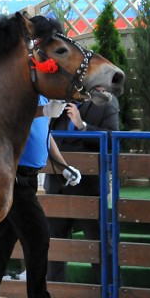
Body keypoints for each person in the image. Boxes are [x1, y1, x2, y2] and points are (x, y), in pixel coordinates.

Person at [0, 96, 80, 298]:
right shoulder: (24, 92)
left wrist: (63, 166)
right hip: (16, 180)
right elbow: (16, 113)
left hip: (24, 179)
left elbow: (45, 136)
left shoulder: (44, 97)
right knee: (38, 240)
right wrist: (44, 109)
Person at [45, 89, 119, 283]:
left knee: (98, 239)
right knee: (54, 241)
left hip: (89, 185)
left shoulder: (105, 104)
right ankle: (56, 289)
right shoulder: (57, 102)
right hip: (56, 182)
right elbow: (45, 133)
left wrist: (82, 125)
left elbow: (113, 139)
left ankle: (109, 289)